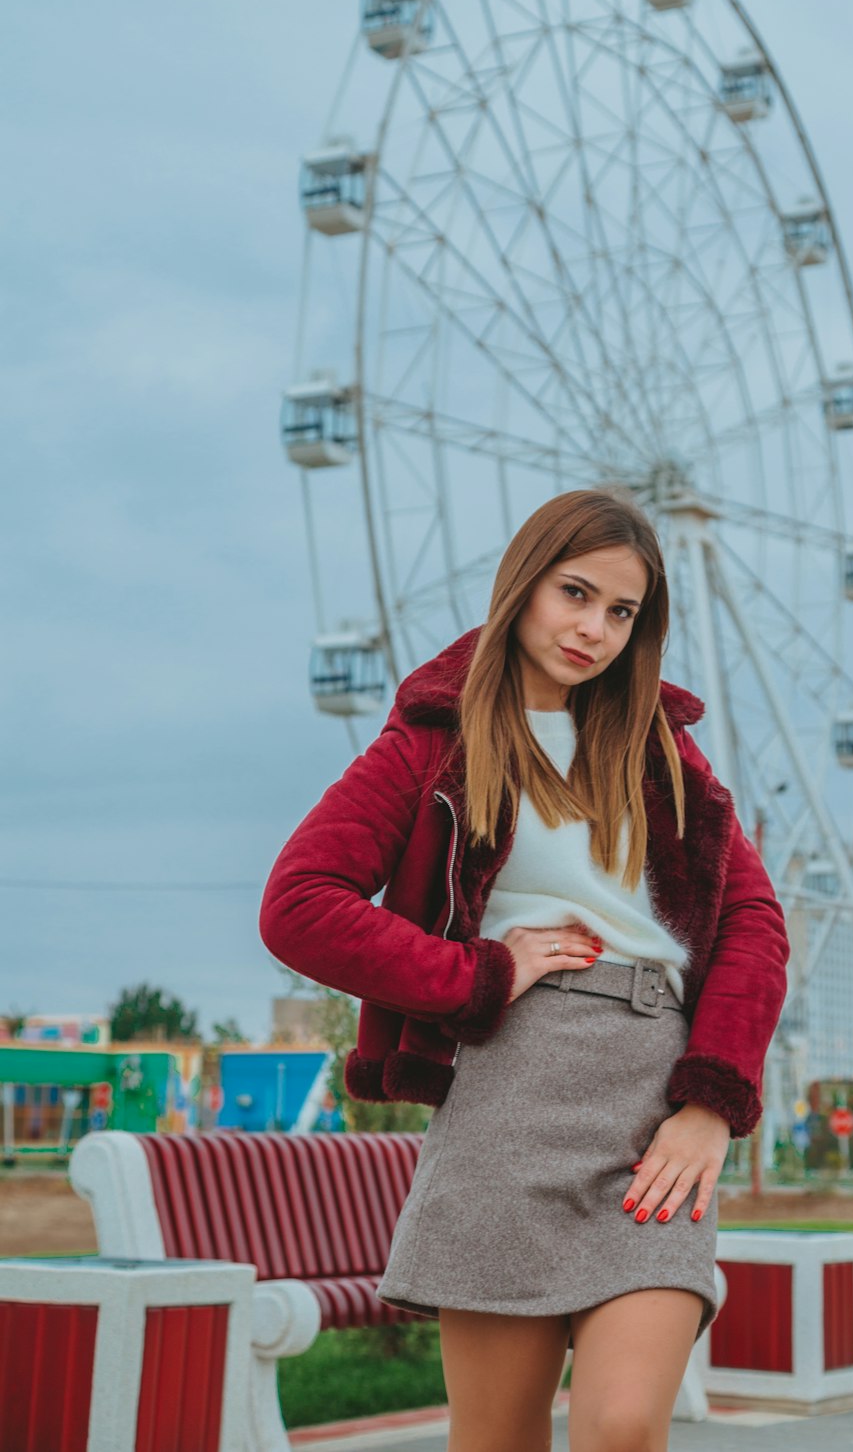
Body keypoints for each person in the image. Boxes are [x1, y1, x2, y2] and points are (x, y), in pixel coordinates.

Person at [259, 486, 790, 1452]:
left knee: (625, 1426)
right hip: (506, 1101)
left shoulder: (665, 755)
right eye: (574, 594)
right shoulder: (433, 740)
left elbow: (755, 921)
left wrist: (714, 1098)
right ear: (523, 586)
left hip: (652, 1113)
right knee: (497, 1441)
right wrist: (478, 974)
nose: (594, 629)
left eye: (621, 612)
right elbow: (299, 906)